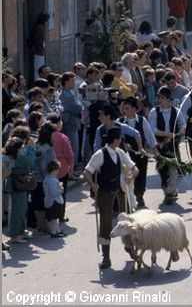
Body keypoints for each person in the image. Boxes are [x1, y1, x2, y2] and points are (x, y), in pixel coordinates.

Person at [83, 127, 139, 269]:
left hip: (120, 191)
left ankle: (130, 247)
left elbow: (135, 169)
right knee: (106, 223)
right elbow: (87, 172)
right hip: (105, 193)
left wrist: (130, 177)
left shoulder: (120, 153)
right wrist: (93, 185)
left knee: (126, 220)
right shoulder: (99, 154)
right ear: (116, 140)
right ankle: (106, 257)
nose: (120, 141)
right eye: (120, 138)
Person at [148, 86, 186, 205]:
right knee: (163, 169)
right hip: (160, 145)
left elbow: (183, 124)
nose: (160, 100)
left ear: (169, 99)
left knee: (174, 169)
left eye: (163, 97)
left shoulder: (176, 111)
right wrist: (166, 134)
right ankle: (167, 191)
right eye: (159, 97)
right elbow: (152, 129)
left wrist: (180, 132)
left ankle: (170, 192)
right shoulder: (154, 112)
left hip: (173, 144)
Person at [118, 97, 158, 208]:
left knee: (141, 176)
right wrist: (124, 144)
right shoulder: (119, 122)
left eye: (128, 108)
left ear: (134, 109)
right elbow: (116, 138)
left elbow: (149, 136)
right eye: (124, 108)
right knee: (128, 176)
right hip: (126, 155)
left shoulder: (142, 120)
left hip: (140, 153)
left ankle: (139, 195)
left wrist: (154, 150)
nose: (125, 111)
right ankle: (129, 200)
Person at [47, 113, 74, 223]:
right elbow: (69, 154)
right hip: (61, 168)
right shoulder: (62, 137)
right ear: (57, 123)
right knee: (61, 193)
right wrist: (71, 165)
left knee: (48, 193)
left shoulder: (45, 136)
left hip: (47, 168)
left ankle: (50, 216)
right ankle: (60, 216)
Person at [32, 123, 58, 234]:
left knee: (37, 203)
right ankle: (47, 228)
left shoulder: (36, 144)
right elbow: (46, 166)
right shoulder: (47, 148)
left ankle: (40, 226)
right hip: (44, 180)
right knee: (46, 204)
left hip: (35, 179)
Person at [2, 137, 27, 246]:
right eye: (21, 148)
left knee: (19, 209)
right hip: (9, 186)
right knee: (16, 210)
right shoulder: (5, 160)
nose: (22, 149)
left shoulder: (11, 158)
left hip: (8, 185)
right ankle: (14, 236)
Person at [60, 72, 82, 176]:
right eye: (72, 80)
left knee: (73, 148)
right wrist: (80, 107)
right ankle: (69, 172)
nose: (74, 83)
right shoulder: (66, 95)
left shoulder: (69, 93)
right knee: (72, 148)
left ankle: (71, 171)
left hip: (72, 123)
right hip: (70, 124)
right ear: (66, 81)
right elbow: (77, 108)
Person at [43, 160, 66, 238]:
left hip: (48, 200)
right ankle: (54, 232)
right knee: (54, 219)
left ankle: (58, 231)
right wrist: (61, 189)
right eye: (57, 170)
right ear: (54, 170)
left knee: (54, 218)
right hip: (54, 201)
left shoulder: (47, 178)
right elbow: (54, 192)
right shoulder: (52, 180)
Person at [31, 13, 50, 80]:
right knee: (38, 68)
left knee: (39, 67)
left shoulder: (39, 26)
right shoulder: (40, 27)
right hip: (38, 50)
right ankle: (38, 81)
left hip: (39, 50)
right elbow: (36, 39)